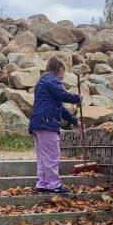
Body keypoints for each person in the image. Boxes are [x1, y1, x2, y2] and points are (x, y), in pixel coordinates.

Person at [29, 57, 82, 194]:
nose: (63, 77)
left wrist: (74, 121)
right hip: (47, 122)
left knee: (42, 156)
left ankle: (43, 183)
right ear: (60, 70)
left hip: (37, 123)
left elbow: (61, 108)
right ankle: (53, 185)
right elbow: (63, 95)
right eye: (64, 72)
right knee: (52, 155)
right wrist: (76, 98)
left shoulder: (42, 81)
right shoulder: (52, 80)